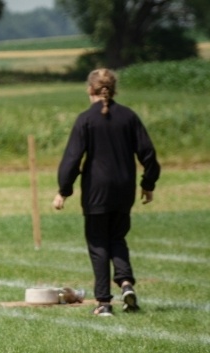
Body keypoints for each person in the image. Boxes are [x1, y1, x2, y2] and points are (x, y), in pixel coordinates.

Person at [53, 68, 160, 317]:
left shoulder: (85, 119)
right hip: (124, 188)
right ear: (113, 89)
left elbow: (72, 160)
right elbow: (149, 154)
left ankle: (103, 302)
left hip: (96, 190)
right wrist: (148, 184)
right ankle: (125, 283)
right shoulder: (128, 116)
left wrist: (63, 191)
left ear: (90, 90)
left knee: (98, 242)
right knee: (118, 237)